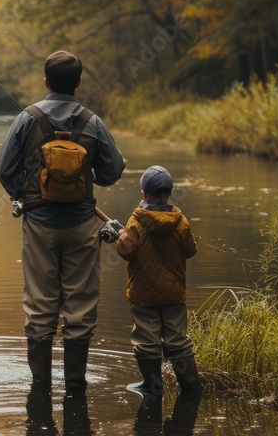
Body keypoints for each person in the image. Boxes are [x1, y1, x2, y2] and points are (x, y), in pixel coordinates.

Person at [0, 50, 125, 391]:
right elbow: (113, 171)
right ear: (79, 82)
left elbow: (3, 170)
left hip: (38, 224)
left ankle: (40, 388)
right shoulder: (93, 122)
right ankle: (75, 386)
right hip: (84, 223)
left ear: (46, 82)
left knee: (40, 306)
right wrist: (87, 173)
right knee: (79, 308)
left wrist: (21, 197)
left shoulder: (27, 118)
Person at [115, 165, 202, 396]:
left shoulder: (136, 222)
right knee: (178, 340)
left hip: (144, 295)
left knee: (146, 340)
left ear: (144, 194)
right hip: (173, 294)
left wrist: (121, 236)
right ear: (169, 192)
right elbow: (190, 251)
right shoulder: (181, 221)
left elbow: (125, 252)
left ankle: (152, 386)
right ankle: (192, 387)